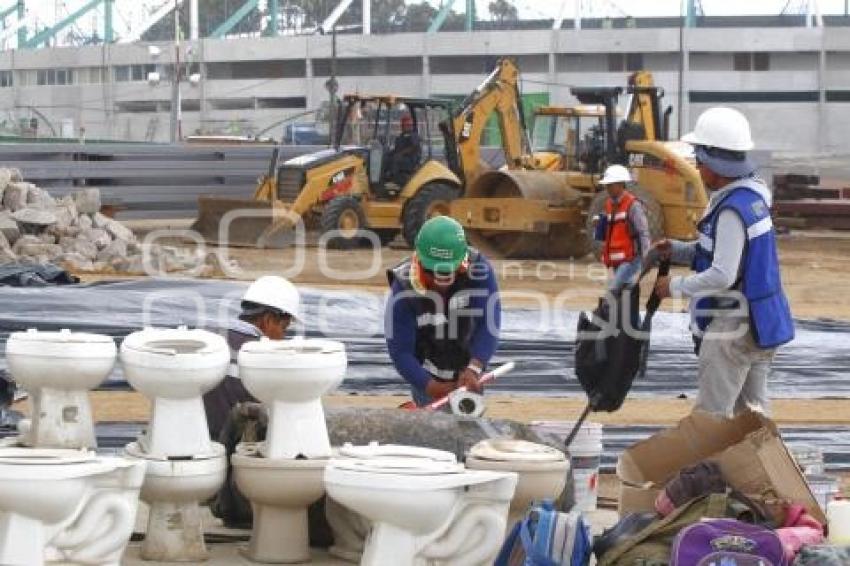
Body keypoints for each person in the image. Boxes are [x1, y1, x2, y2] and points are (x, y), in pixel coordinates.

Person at [651, 106, 794, 417]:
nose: (698, 170)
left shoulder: (731, 210)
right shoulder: (752, 199)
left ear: (714, 164)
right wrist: (677, 249)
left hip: (733, 326)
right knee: (752, 416)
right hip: (761, 320)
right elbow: (725, 253)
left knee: (712, 415)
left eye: (700, 162)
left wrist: (673, 286)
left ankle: (707, 467)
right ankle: (763, 465)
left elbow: (722, 275)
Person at [385, 215, 501, 407]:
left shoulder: (479, 270)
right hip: (427, 377)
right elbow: (401, 351)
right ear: (420, 262)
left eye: (449, 272)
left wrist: (474, 368)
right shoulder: (404, 289)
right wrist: (431, 387)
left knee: (468, 431)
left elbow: (489, 323)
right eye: (433, 271)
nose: (442, 280)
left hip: (469, 374)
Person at [203, 275, 300, 441]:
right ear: (268, 320)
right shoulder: (263, 355)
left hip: (198, 441)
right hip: (236, 449)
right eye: (284, 328)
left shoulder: (208, 336)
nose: (282, 337)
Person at [593, 164, 651, 293]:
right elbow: (605, 234)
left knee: (613, 290)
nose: (607, 188)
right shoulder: (609, 205)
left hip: (630, 259)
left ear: (620, 184)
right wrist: (597, 228)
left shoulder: (633, 205)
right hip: (616, 260)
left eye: (610, 185)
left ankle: (602, 312)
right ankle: (628, 313)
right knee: (626, 294)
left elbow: (643, 232)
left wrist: (647, 257)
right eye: (606, 185)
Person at [387, 113, 421, 185]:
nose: (403, 127)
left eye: (406, 125)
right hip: (404, 157)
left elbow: (414, 147)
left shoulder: (413, 135)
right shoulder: (402, 135)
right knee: (387, 157)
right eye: (403, 125)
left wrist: (401, 153)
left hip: (411, 159)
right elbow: (398, 148)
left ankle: (392, 177)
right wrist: (389, 153)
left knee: (396, 158)